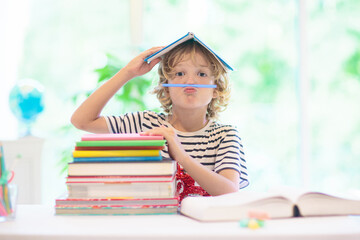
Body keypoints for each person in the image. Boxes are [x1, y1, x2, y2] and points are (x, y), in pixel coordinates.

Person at [71, 39, 249, 201]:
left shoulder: (225, 135)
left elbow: (230, 192)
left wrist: (180, 154)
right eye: (179, 73)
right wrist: (128, 72)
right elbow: (82, 121)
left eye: (201, 74)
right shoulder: (145, 124)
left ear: (215, 89)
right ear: (166, 89)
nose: (190, 80)